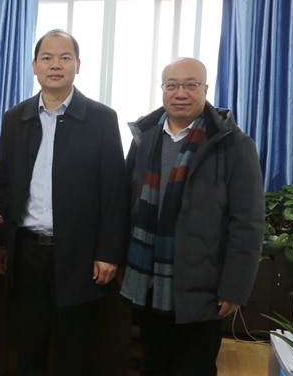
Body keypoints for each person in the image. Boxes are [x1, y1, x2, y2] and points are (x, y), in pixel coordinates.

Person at [0, 29, 127, 375]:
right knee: (29, 348)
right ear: (34, 65)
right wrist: (1, 242)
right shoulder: (15, 117)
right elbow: (2, 185)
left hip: (80, 255)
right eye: (47, 58)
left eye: (65, 58)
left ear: (78, 65)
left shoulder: (101, 118)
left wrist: (108, 252)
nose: (55, 65)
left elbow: (114, 191)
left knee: (76, 352)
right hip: (27, 253)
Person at [119, 57, 265, 375]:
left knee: (195, 367)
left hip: (203, 287)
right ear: (162, 90)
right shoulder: (145, 138)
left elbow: (248, 223)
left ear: (206, 89)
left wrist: (235, 288)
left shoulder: (233, 145)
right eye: (172, 85)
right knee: (153, 364)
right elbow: (126, 204)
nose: (180, 93)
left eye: (190, 85)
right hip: (149, 280)